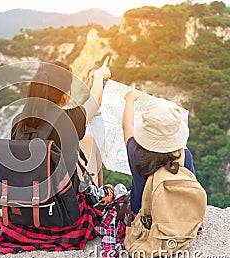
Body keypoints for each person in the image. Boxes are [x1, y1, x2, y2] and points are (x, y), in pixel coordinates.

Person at [12, 58, 110, 191]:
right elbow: (95, 100)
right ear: (66, 96)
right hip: (60, 206)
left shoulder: (19, 122)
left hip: (27, 201)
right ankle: (97, 200)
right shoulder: (66, 120)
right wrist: (99, 77)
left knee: (85, 141)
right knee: (90, 143)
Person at [122, 86, 196, 214]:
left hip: (142, 215)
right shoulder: (185, 156)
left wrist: (130, 100)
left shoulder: (136, 152)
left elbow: (127, 126)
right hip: (174, 217)